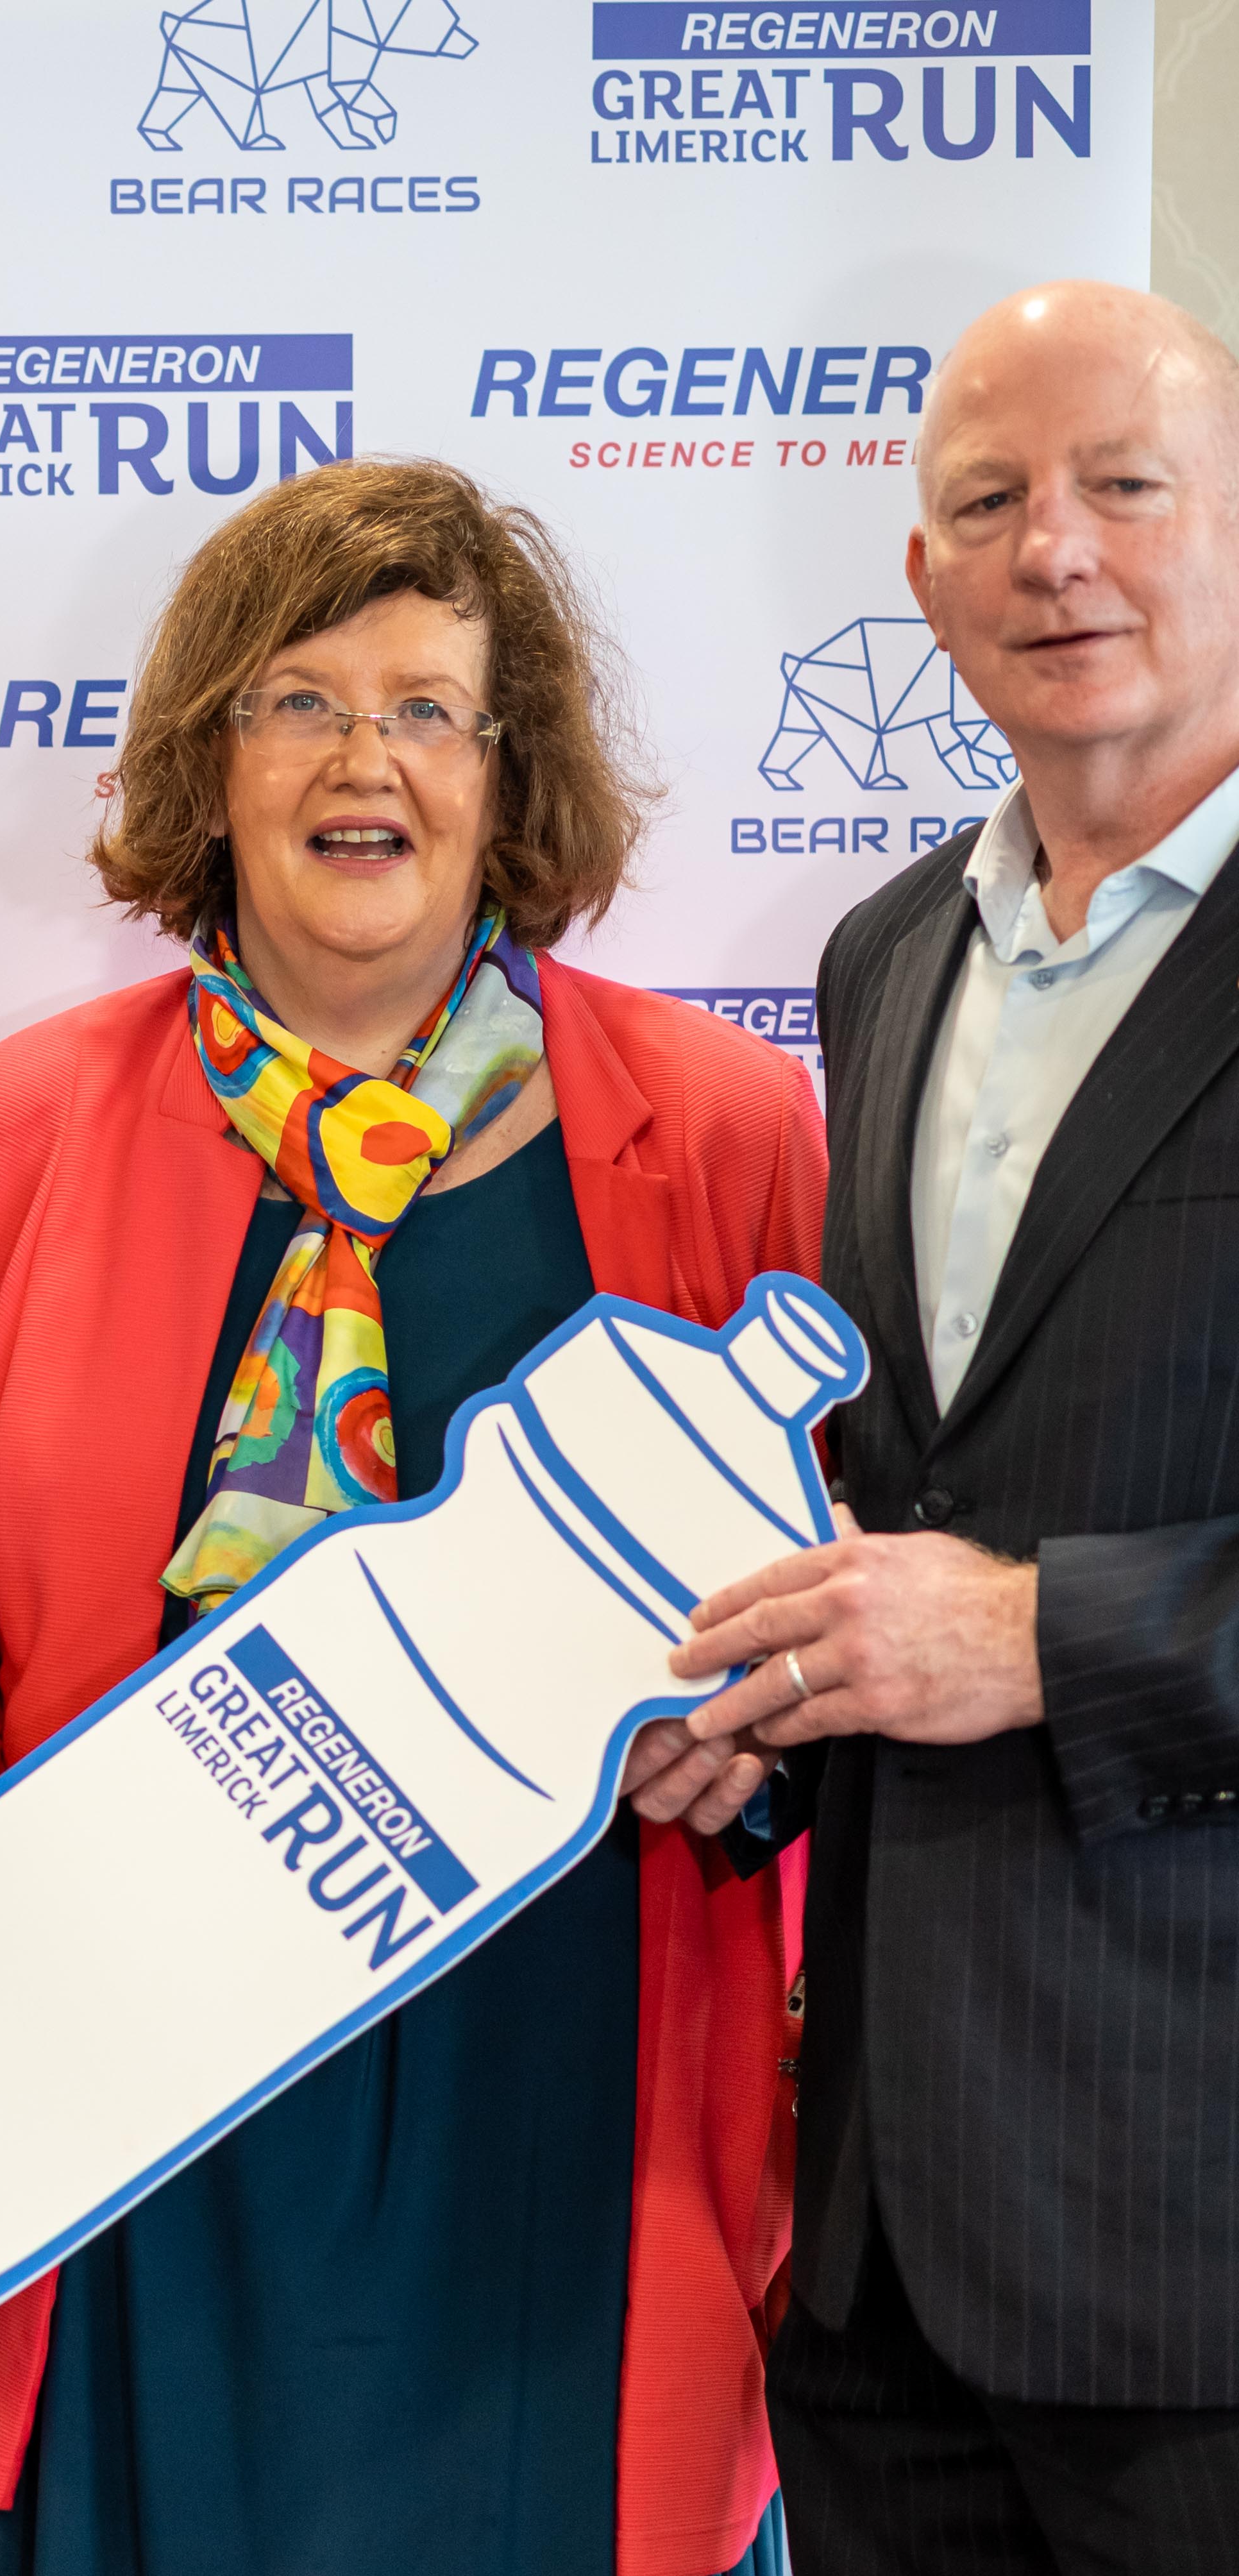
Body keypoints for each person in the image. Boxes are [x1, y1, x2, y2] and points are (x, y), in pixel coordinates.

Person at [0, 457, 823, 2576]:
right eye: (298, 704)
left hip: (561, 2079)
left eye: (428, 709)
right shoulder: (21, 1126)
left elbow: (848, 1601)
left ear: (507, 773)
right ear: (213, 763)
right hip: (116, 2076)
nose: (366, 761)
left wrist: (765, 1748)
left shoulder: (727, 1129)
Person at [661, 279, 1239, 2573]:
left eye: (1125, 486)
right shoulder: (885, 959)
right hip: (889, 2251)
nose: (1055, 551)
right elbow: (917, 1492)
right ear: (922, 576)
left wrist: (1034, 1640)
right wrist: (757, 1720)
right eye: (990, 502)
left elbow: (992, 1599)